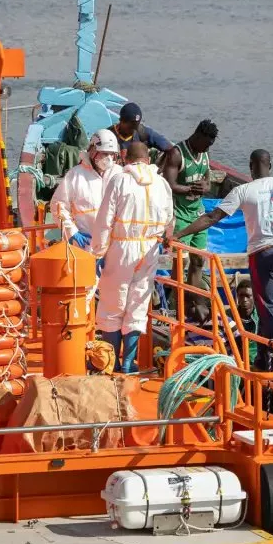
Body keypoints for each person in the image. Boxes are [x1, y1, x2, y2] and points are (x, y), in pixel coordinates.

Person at [172, 148, 273, 370]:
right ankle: (265, 353)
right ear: (271, 165)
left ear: (250, 166)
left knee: (266, 306)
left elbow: (212, 216)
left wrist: (179, 234)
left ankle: (271, 357)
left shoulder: (244, 190)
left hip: (263, 252)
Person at [91, 142, 174, 373]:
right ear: (148, 159)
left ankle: (111, 361)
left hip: (122, 247)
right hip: (149, 249)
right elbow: (170, 219)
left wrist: (97, 252)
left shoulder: (120, 180)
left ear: (126, 158)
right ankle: (128, 362)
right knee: (138, 303)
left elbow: (105, 219)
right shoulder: (162, 184)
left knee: (112, 303)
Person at [162, 120, 219, 285]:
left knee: (199, 260)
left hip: (198, 214)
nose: (208, 148)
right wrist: (190, 189)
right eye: (207, 144)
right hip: (179, 214)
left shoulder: (205, 154)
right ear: (198, 136)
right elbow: (169, 184)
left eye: (211, 145)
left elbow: (208, 181)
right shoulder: (176, 154)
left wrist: (205, 187)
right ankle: (176, 301)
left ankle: (193, 298)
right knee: (181, 262)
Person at [50, 129, 123, 247]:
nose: (108, 158)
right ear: (93, 151)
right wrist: (72, 232)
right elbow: (58, 206)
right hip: (85, 243)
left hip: (114, 244)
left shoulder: (119, 174)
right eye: (104, 153)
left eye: (111, 154)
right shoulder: (75, 175)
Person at [108, 103, 173, 162]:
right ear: (121, 121)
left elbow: (170, 148)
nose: (133, 130)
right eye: (130, 127)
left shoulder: (142, 132)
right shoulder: (108, 135)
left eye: (136, 126)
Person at [234, 279, 259, 365]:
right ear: (237, 296)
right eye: (241, 296)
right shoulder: (229, 316)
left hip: (257, 361)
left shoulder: (261, 316)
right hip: (237, 361)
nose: (244, 299)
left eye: (248, 296)